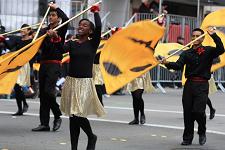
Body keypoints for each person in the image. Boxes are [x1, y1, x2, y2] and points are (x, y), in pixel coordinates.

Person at [161, 28, 224, 145]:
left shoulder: (208, 51)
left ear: (203, 38)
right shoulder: (186, 53)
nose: (195, 38)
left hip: (202, 85)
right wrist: (167, 63)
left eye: (197, 36)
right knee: (188, 113)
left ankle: (202, 130)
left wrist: (214, 35)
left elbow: (221, 49)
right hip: (189, 85)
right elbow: (178, 65)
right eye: (193, 36)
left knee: (199, 111)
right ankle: (187, 138)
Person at [60, 4, 105, 150]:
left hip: (84, 83)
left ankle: (91, 136)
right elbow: (60, 48)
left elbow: (98, 27)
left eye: (85, 25)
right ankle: (74, 147)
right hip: (71, 82)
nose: (81, 27)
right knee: (73, 117)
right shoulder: (72, 43)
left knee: (78, 114)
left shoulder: (93, 43)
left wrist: (96, 12)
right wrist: (56, 36)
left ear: (90, 31)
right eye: (80, 25)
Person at [32, 2, 69, 132]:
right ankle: (44, 123)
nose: (51, 17)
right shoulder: (43, 30)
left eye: (53, 15)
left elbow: (67, 19)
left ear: (58, 18)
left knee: (48, 91)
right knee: (43, 94)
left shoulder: (62, 27)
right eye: (50, 15)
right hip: (43, 64)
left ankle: (57, 114)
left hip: (54, 63)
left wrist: (56, 7)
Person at [10, 24, 32, 115]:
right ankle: (21, 107)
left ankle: (23, 106)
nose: (22, 31)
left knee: (19, 85)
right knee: (16, 87)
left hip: (25, 65)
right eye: (21, 29)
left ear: (28, 30)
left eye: (24, 29)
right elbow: (11, 48)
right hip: (17, 64)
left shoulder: (32, 41)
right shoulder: (18, 40)